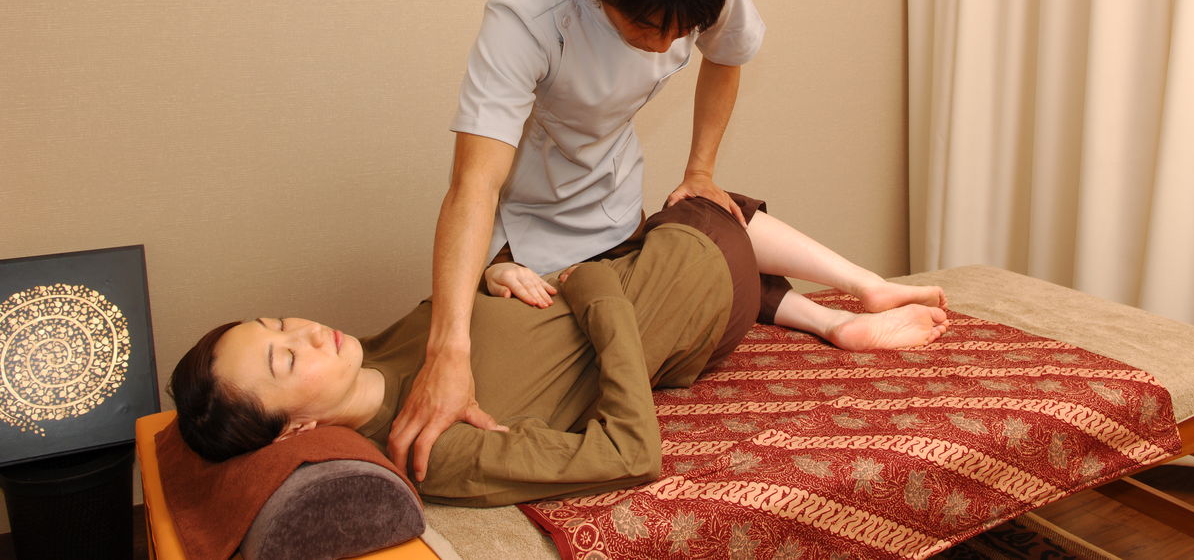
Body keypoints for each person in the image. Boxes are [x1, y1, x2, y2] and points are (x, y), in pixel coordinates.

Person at [171, 194, 948, 506]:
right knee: (707, 206)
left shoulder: (376, 355)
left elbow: (486, 320)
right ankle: (860, 294)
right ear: (295, 431)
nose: (306, 333)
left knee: (634, 215)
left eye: (280, 324)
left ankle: (830, 320)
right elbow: (632, 453)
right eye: (284, 360)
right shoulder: (436, 450)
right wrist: (598, 294)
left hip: (640, 287)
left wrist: (497, 275)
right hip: (675, 293)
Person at [397, 0, 766, 479]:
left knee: (685, 272)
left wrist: (700, 170)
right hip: (524, 217)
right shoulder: (528, 16)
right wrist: (448, 349)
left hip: (614, 203)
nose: (664, 45)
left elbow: (729, 55)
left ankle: (809, 309)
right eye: (646, 26)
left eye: (682, 31)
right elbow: (474, 185)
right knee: (483, 375)